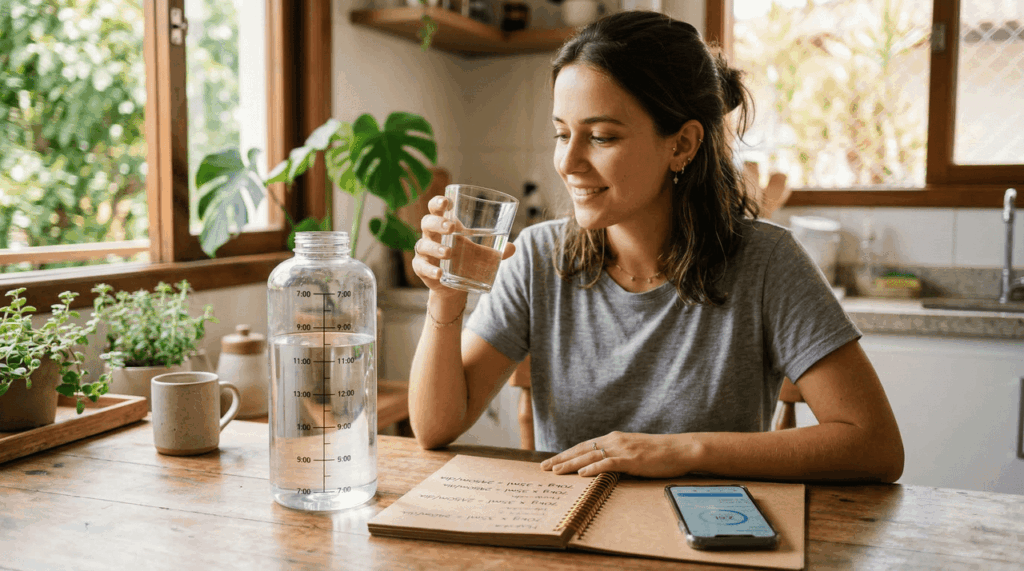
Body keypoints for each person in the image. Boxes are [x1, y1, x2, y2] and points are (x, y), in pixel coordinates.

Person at [408, 11, 904, 483]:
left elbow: (875, 446)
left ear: (682, 145)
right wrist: (445, 296)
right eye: (562, 134)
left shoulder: (767, 262)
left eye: (601, 137)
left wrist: (681, 451)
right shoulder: (538, 257)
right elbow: (435, 428)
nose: (569, 162)